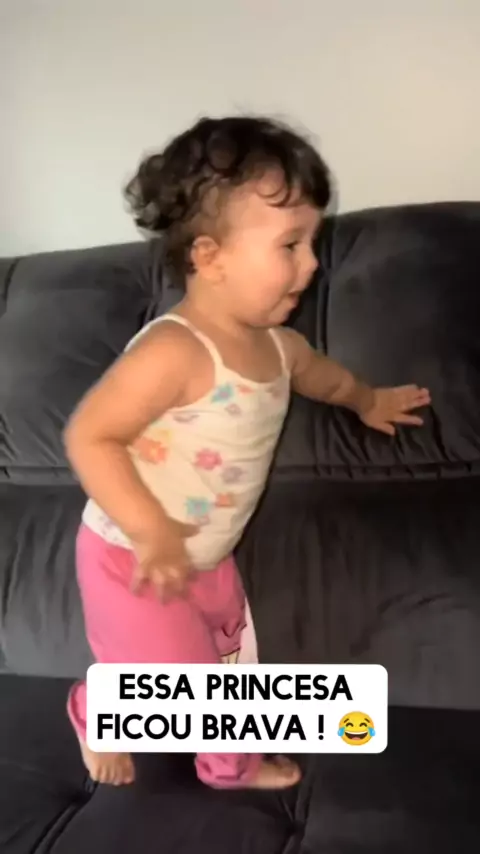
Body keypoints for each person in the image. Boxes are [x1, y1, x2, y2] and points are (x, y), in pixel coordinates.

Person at [64, 116, 430, 790]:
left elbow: (326, 379)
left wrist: (367, 400)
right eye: (290, 244)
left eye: (313, 242)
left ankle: (208, 746)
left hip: (207, 556)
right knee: (182, 680)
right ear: (211, 258)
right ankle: (108, 716)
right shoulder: (174, 350)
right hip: (133, 557)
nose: (312, 263)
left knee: (231, 663)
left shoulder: (281, 349)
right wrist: (150, 531)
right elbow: (90, 435)